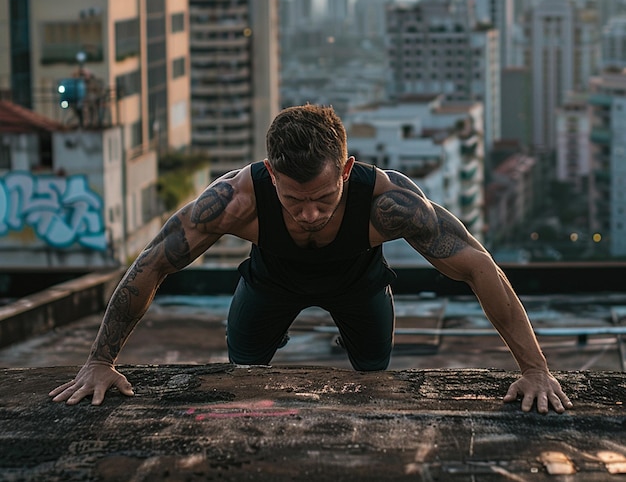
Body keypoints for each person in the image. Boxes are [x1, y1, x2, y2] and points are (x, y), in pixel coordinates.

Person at [50, 104, 572, 414]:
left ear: (346, 169)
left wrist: (535, 369)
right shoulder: (235, 199)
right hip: (269, 284)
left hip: (359, 285)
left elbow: (480, 265)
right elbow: (151, 264)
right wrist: (100, 361)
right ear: (271, 174)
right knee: (243, 371)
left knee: (374, 376)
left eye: (323, 199)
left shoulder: (389, 203)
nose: (309, 215)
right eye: (293, 201)